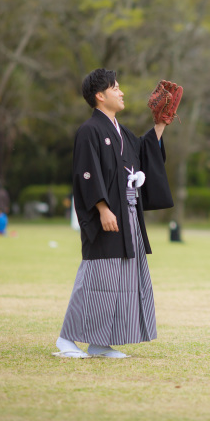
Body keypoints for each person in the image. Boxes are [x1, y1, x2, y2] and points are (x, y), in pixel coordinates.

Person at [54, 68, 176, 359]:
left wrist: (159, 124)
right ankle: (66, 340)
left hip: (129, 214)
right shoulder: (90, 131)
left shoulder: (121, 132)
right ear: (100, 95)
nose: (121, 92)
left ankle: (100, 342)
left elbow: (145, 153)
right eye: (116, 88)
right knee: (96, 277)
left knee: (120, 280)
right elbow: (86, 173)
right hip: (107, 215)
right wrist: (103, 208)